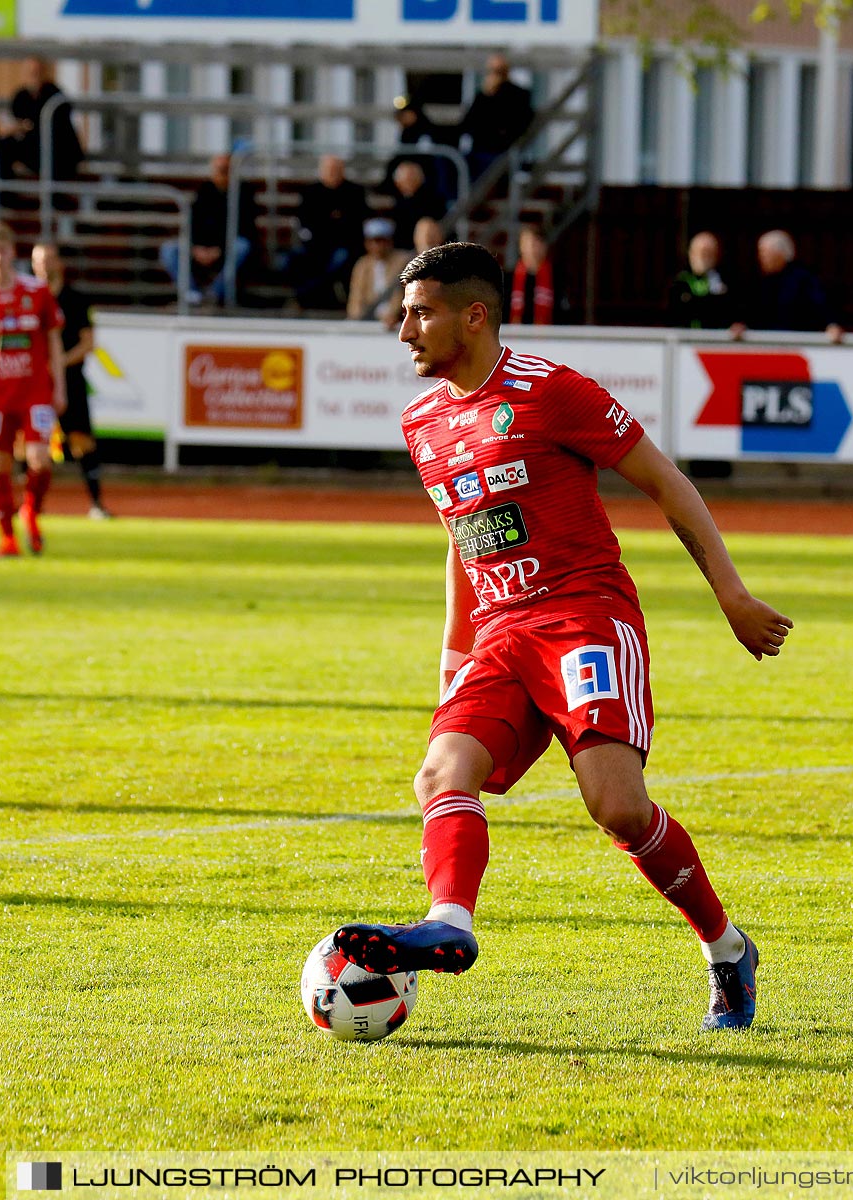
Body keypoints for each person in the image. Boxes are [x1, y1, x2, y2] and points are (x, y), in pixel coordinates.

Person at [331, 243, 792, 1031]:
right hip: (502, 635)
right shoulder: (423, 421)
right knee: (441, 771)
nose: (403, 330)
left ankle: (725, 947)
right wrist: (453, 658)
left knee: (616, 807)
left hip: (584, 617)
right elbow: (463, 541)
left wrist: (732, 594)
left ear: (474, 317)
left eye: (420, 313)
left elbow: (665, 481)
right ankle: (451, 923)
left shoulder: (552, 393)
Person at [0, 221, 66, 557]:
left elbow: (53, 340)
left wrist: (59, 388)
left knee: (40, 460)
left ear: (12, 252)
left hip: (34, 390)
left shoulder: (36, 292)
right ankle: (7, 537)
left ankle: (31, 511)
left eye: (2, 250)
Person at [31, 241, 111, 519]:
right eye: (38, 260)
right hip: (36, 383)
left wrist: (59, 362)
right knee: (29, 442)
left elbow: (88, 344)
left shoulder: (76, 299)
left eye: (49, 259)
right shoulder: (28, 299)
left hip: (71, 380)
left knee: (82, 441)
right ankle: (30, 505)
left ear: (59, 263)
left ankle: (97, 503)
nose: (43, 265)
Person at [160, 153, 258, 307]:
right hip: (202, 247)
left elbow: (246, 228)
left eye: (225, 169)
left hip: (227, 247)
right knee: (169, 249)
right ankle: (191, 294)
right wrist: (196, 247)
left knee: (241, 247)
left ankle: (215, 293)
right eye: (219, 169)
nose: (222, 173)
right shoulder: (204, 191)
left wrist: (219, 249)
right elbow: (193, 223)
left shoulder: (244, 193)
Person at [730, 229, 845, 344]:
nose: (761, 257)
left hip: (797, 344)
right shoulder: (759, 282)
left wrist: (832, 324)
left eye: (764, 252)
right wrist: (741, 325)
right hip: (765, 347)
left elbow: (821, 305)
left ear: (780, 254)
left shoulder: (803, 279)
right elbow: (750, 312)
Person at [283, 154, 367, 309]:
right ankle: (313, 296)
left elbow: (354, 222)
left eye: (336, 169)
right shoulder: (310, 192)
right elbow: (305, 222)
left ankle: (304, 296)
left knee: (339, 259)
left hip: (344, 244)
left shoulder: (354, 192)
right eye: (329, 169)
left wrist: (328, 223)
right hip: (315, 244)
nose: (333, 173)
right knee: (290, 260)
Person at [1, 57, 81, 181]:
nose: (33, 75)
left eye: (36, 71)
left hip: (58, 153)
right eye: (29, 72)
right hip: (34, 149)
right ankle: (5, 193)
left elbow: (58, 127)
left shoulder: (55, 96)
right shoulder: (21, 96)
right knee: (3, 147)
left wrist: (28, 126)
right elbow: (17, 123)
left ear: (44, 73)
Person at [457, 55, 533, 185]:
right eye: (491, 70)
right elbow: (468, 124)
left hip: (502, 150)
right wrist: (487, 95)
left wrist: (493, 95)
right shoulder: (482, 96)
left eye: (497, 71)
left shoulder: (518, 95)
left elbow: (513, 124)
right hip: (480, 149)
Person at [386, 94, 459, 203]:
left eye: (404, 115)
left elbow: (431, 159)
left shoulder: (428, 131)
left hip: (430, 179)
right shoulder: (405, 134)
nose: (402, 119)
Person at [666, 231, 735, 330]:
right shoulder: (679, 281)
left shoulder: (724, 281)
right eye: (701, 252)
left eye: (709, 253)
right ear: (691, 253)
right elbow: (679, 311)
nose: (704, 258)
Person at [345, 217, 410, 324]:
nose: (378, 246)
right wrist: (356, 319)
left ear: (390, 241)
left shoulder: (402, 261)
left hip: (395, 321)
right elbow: (356, 297)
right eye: (374, 241)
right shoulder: (362, 265)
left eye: (382, 241)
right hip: (368, 319)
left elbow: (399, 294)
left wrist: (392, 314)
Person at [506, 223, 567, 326]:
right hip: (514, 337)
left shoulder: (557, 278)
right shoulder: (508, 278)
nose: (532, 249)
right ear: (521, 246)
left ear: (545, 247)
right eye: (528, 244)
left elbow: (562, 312)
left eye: (537, 243)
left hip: (547, 337)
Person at [384, 161, 446, 252]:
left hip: (420, 249)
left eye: (414, 177)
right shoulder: (395, 202)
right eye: (408, 178)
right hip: (399, 251)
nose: (412, 180)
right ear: (397, 182)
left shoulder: (432, 199)